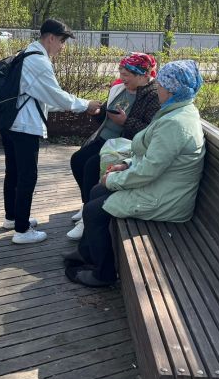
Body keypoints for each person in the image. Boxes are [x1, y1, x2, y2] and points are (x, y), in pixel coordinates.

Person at [63, 60, 206, 287]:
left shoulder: (175, 123)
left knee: (93, 210)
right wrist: (126, 164)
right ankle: (88, 252)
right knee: (97, 189)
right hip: (162, 185)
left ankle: (104, 274)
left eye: (160, 84)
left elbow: (149, 170)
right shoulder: (176, 111)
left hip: (166, 198)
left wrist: (114, 179)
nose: (157, 87)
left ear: (170, 90)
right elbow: (152, 157)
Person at [1, 19, 101, 245]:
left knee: (14, 172)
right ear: (51, 38)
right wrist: (85, 105)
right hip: (24, 125)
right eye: (63, 42)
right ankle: (22, 230)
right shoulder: (39, 62)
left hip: (10, 122)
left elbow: (45, 97)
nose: (63, 47)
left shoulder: (25, 53)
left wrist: (75, 105)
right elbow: (55, 95)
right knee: (27, 175)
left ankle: (13, 217)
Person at [67, 53, 160, 241]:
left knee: (92, 166)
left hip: (125, 144)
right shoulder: (119, 88)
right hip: (104, 139)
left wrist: (126, 121)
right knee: (77, 160)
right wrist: (98, 112)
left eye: (126, 74)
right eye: (121, 72)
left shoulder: (153, 95)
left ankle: (87, 217)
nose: (122, 77)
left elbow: (149, 131)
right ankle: (86, 204)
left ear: (142, 75)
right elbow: (105, 114)